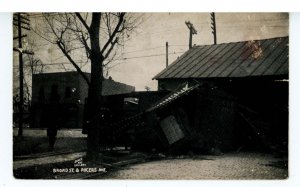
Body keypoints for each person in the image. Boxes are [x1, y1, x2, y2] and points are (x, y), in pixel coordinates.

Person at [47, 85, 60, 151]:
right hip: (54, 119)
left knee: (50, 133)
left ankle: (51, 145)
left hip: (50, 119)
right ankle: (51, 145)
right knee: (53, 133)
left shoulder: (50, 98)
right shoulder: (57, 99)